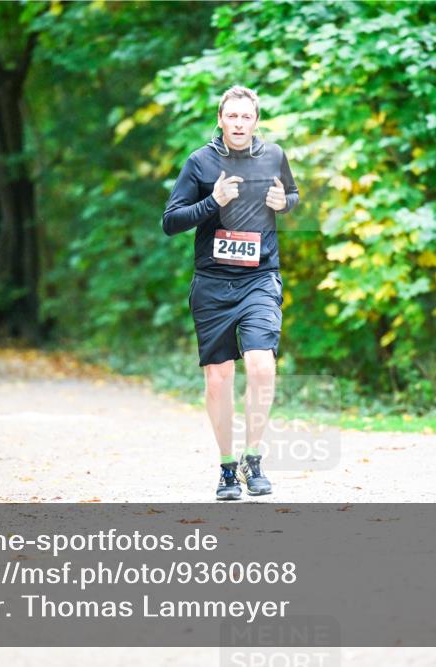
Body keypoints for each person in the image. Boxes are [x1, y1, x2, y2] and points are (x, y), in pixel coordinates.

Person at [162, 85, 300, 500]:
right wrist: (212, 202)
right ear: (220, 119)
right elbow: (170, 221)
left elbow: (291, 195)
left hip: (260, 278)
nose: (239, 124)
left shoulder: (274, 156)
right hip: (213, 283)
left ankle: (253, 458)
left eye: (246, 117)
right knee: (219, 377)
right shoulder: (200, 162)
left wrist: (285, 202)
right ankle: (226, 467)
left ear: (256, 121)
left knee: (261, 366)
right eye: (232, 116)